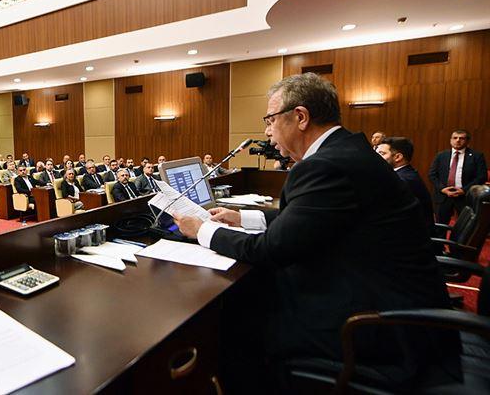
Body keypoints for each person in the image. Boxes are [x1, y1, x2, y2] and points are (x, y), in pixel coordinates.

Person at [173, 73, 452, 391]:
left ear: (300, 117)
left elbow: (269, 251)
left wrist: (203, 230)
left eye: (270, 119)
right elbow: (312, 219)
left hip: (377, 326)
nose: (267, 131)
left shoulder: (325, 165)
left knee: (237, 317)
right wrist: (242, 218)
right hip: (395, 302)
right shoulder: (348, 151)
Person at [428, 129, 487, 224]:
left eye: (461, 138)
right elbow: (432, 175)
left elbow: (481, 177)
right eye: (455, 138)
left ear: (467, 141)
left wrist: (464, 190)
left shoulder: (477, 156)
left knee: (465, 227)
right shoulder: (441, 155)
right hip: (443, 196)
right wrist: (443, 189)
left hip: (464, 196)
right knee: (440, 226)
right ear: (450, 140)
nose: (458, 140)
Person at [376, 137, 435, 228]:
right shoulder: (406, 173)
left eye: (381, 153)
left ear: (398, 157)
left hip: (413, 236)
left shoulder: (403, 179)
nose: (375, 157)